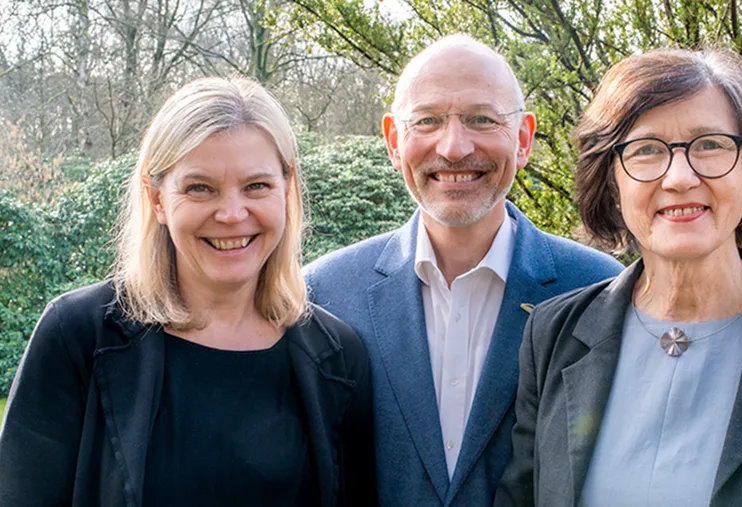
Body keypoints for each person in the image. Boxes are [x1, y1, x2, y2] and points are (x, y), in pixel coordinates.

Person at [495, 47, 742, 507]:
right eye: (646, 150)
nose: (680, 177)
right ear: (613, 183)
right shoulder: (553, 336)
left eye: (710, 145)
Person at [0, 76, 375, 506]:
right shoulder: (77, 336)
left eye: (257, 186)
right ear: (157, 200)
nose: (233, 214)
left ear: (287, 191)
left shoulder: (338, 357)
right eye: (200, 188)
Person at [304, 34, 623, 506]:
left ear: (523, 139)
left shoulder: (601, 293)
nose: (453, 147)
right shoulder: (323, 294)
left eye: (481, 119)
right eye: (428, 120)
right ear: (394, 141)